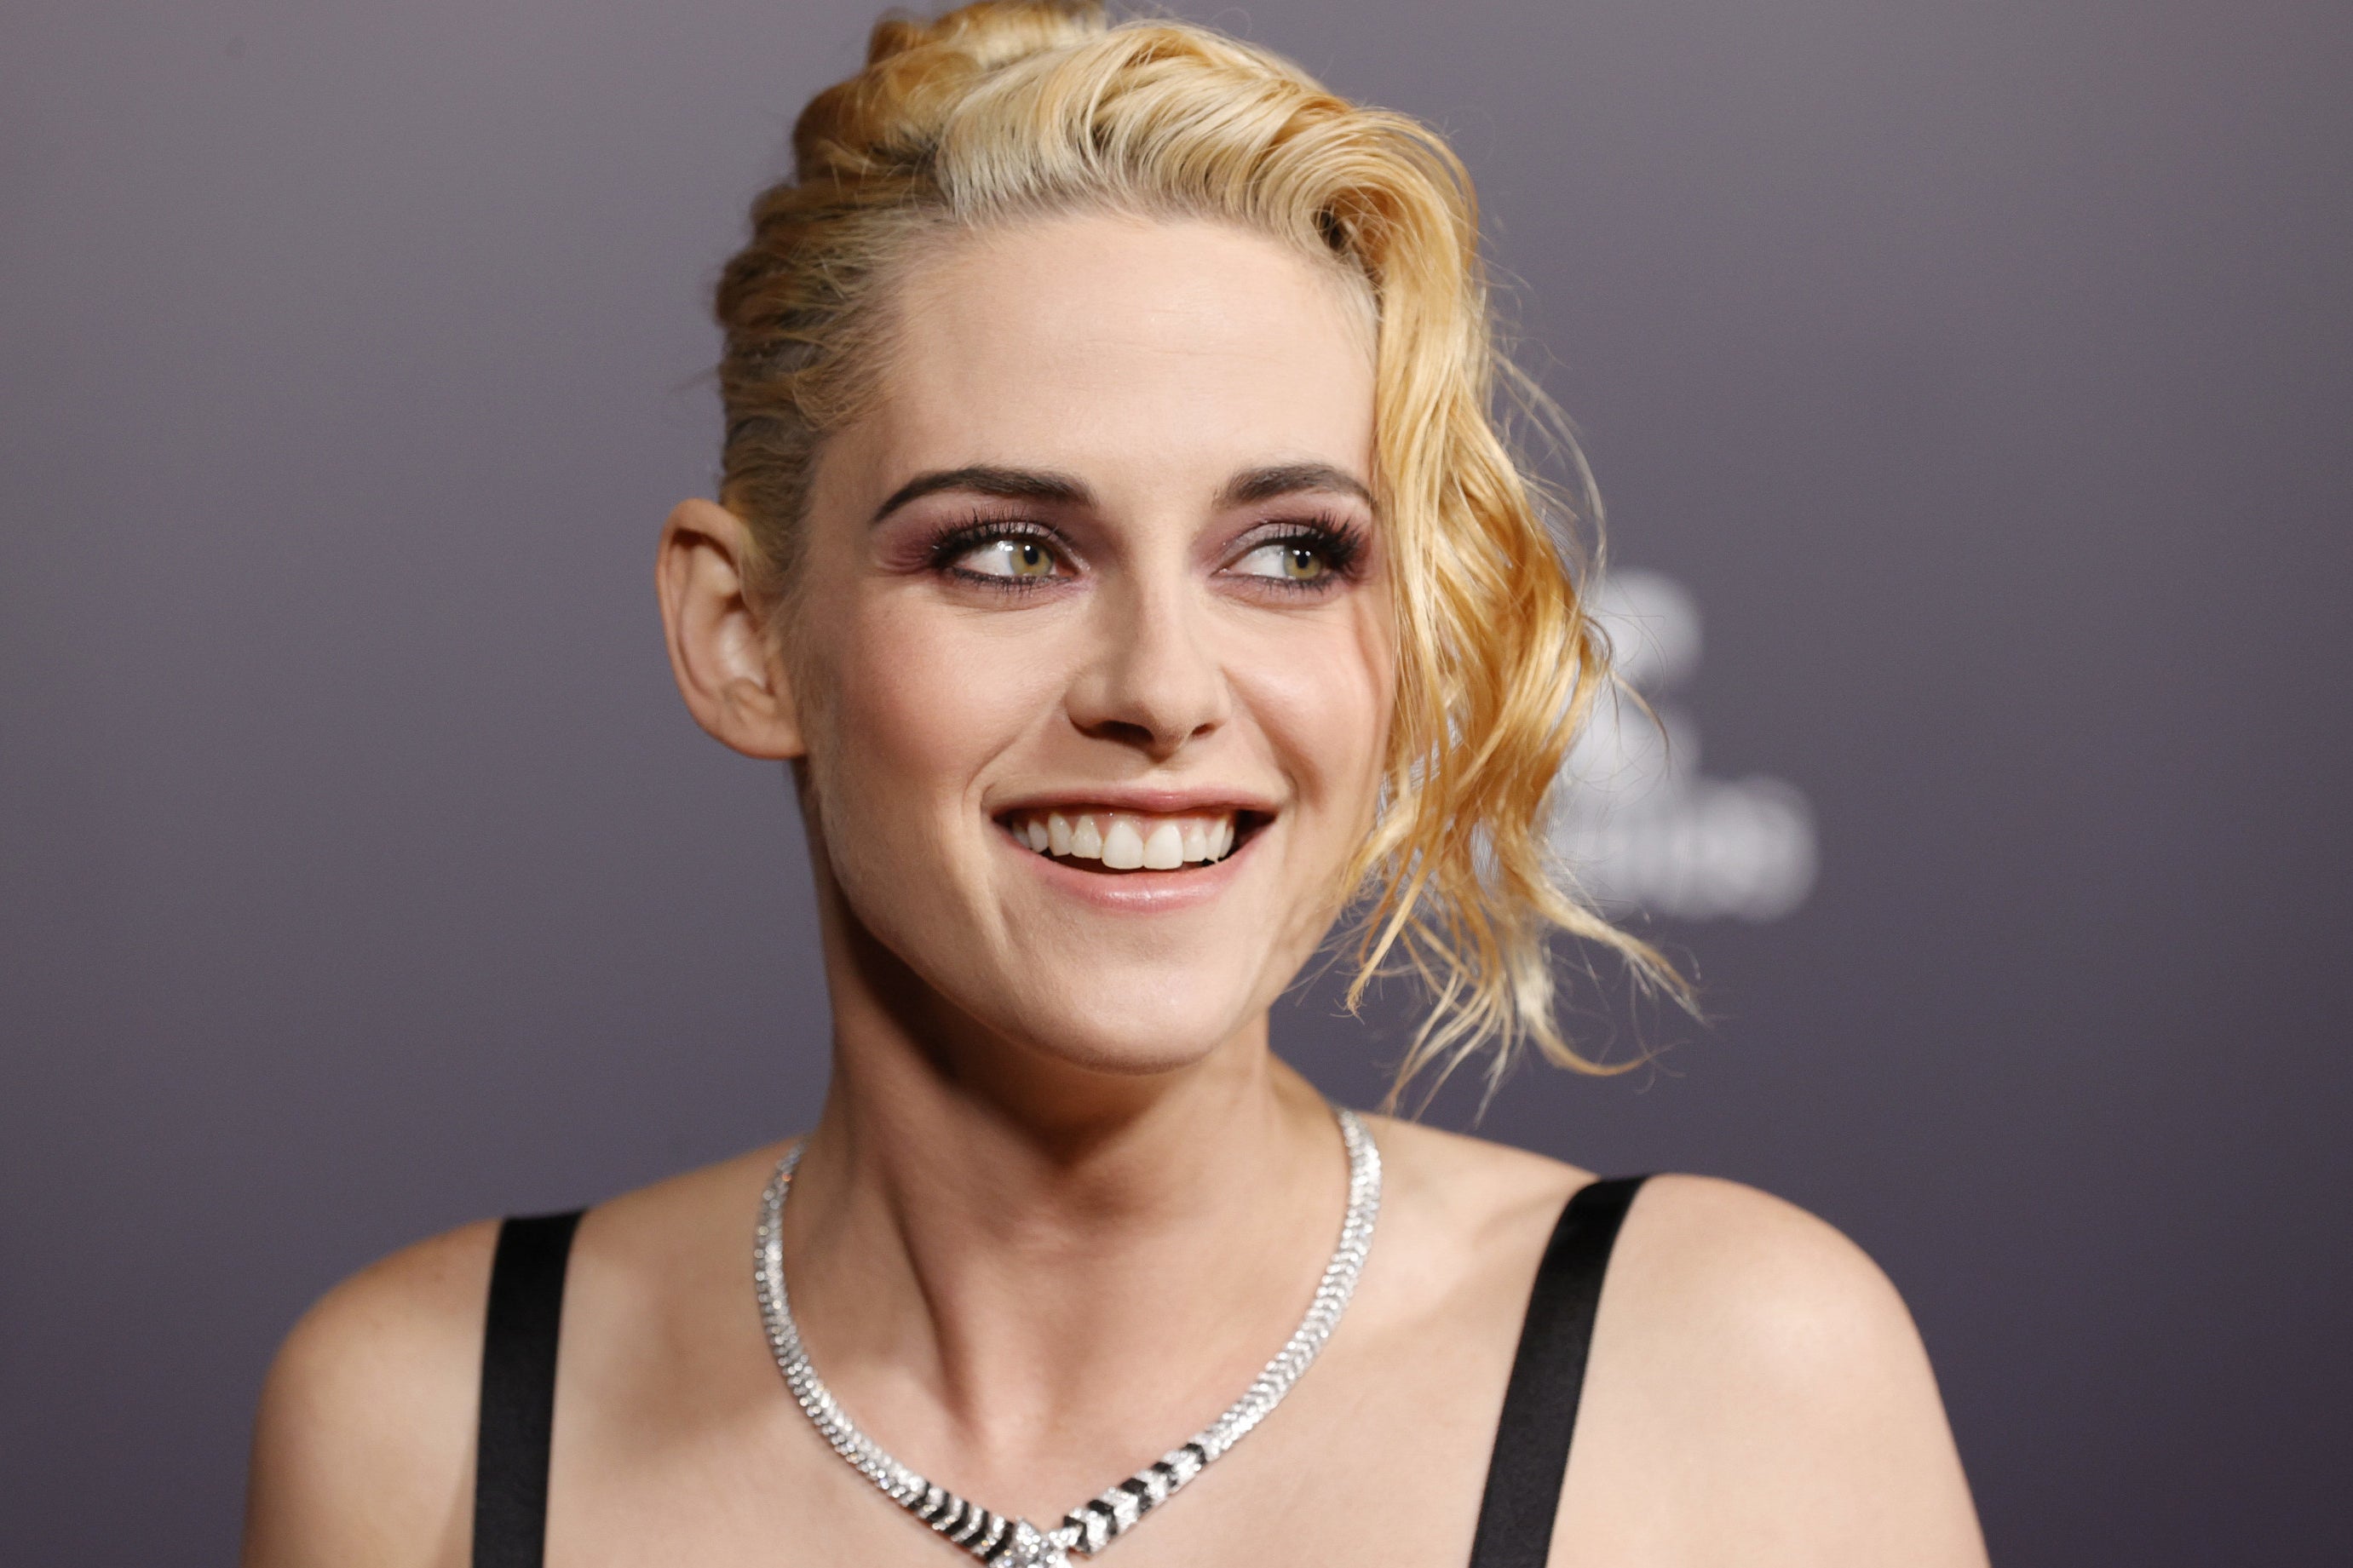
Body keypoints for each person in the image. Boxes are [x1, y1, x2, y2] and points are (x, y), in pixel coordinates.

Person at [240, 4, 1988, 1564]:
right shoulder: (426, 1428)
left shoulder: (1726, 1384)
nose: (1161, 689)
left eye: (1290, 554)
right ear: (743, 635)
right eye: (1008, 551)